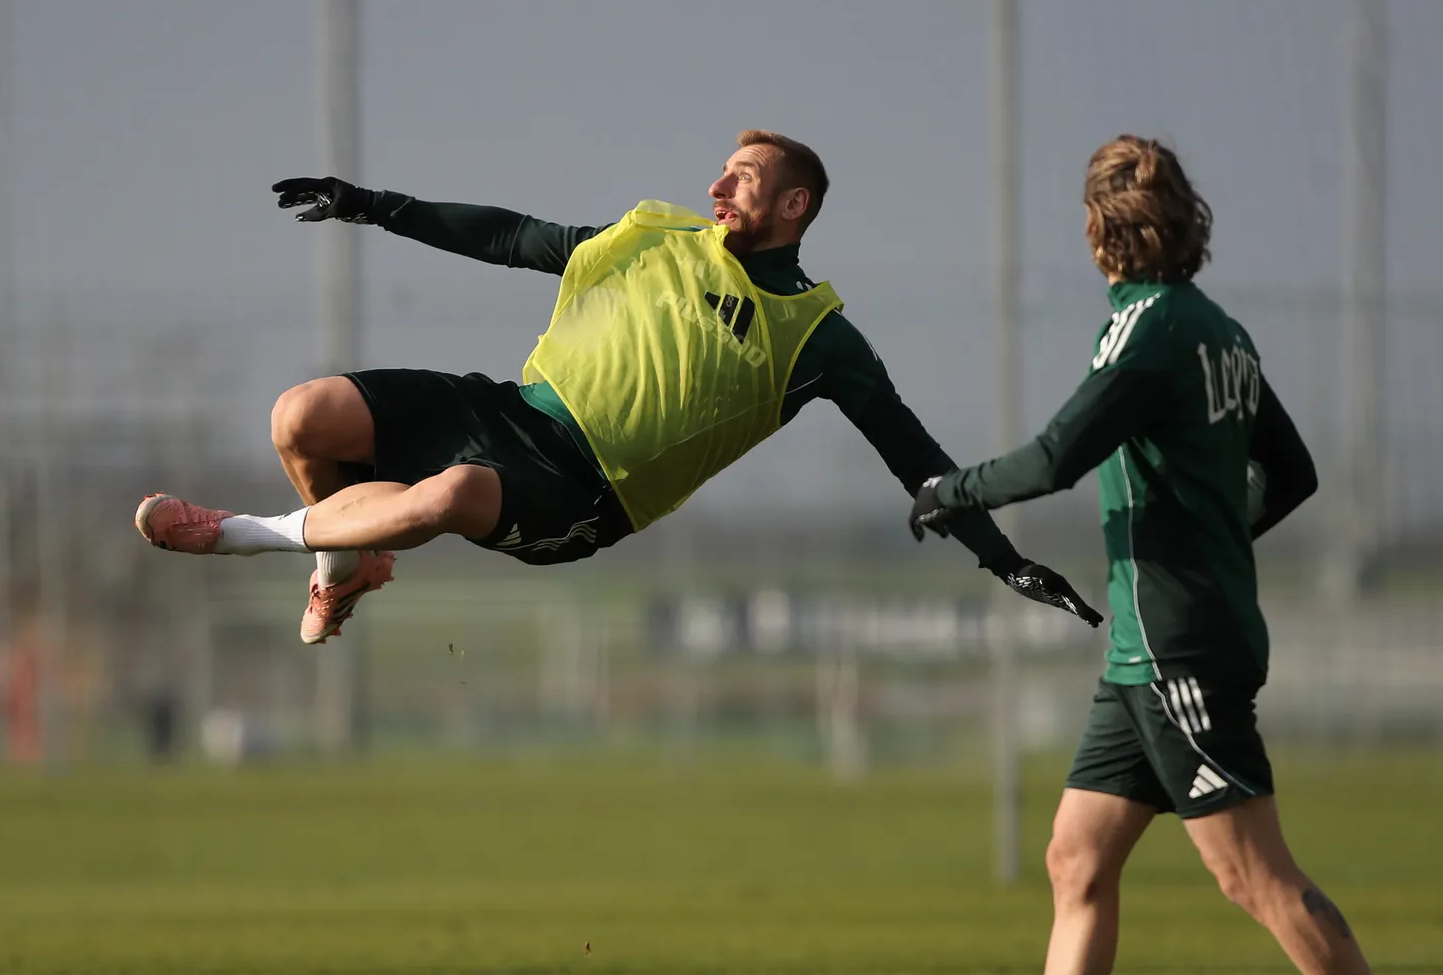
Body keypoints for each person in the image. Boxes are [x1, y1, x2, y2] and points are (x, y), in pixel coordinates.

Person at [135, 129, 1101, 646]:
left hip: (587, 493)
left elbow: (917, 460)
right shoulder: (657, 240)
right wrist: (368, 205)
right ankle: (343, 571)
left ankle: (237, 536)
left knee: (453, 495)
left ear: (795, 206)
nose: (721, 188)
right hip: (509, 409)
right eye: (722, 173)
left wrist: (1002, 559)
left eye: (746, 179)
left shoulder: (821, 338)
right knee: (301, 417)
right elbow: (513, 238)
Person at [907, 137, 1405, 975]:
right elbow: (1292, 474)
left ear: (1101, 229)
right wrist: (1212, 540)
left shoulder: (1152, 330)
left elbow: (1059, 456)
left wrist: (952, 491)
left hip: (1181, 648)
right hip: (1144, 653)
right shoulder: (1222, 333)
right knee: (1076, 859)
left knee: (1253, 874)